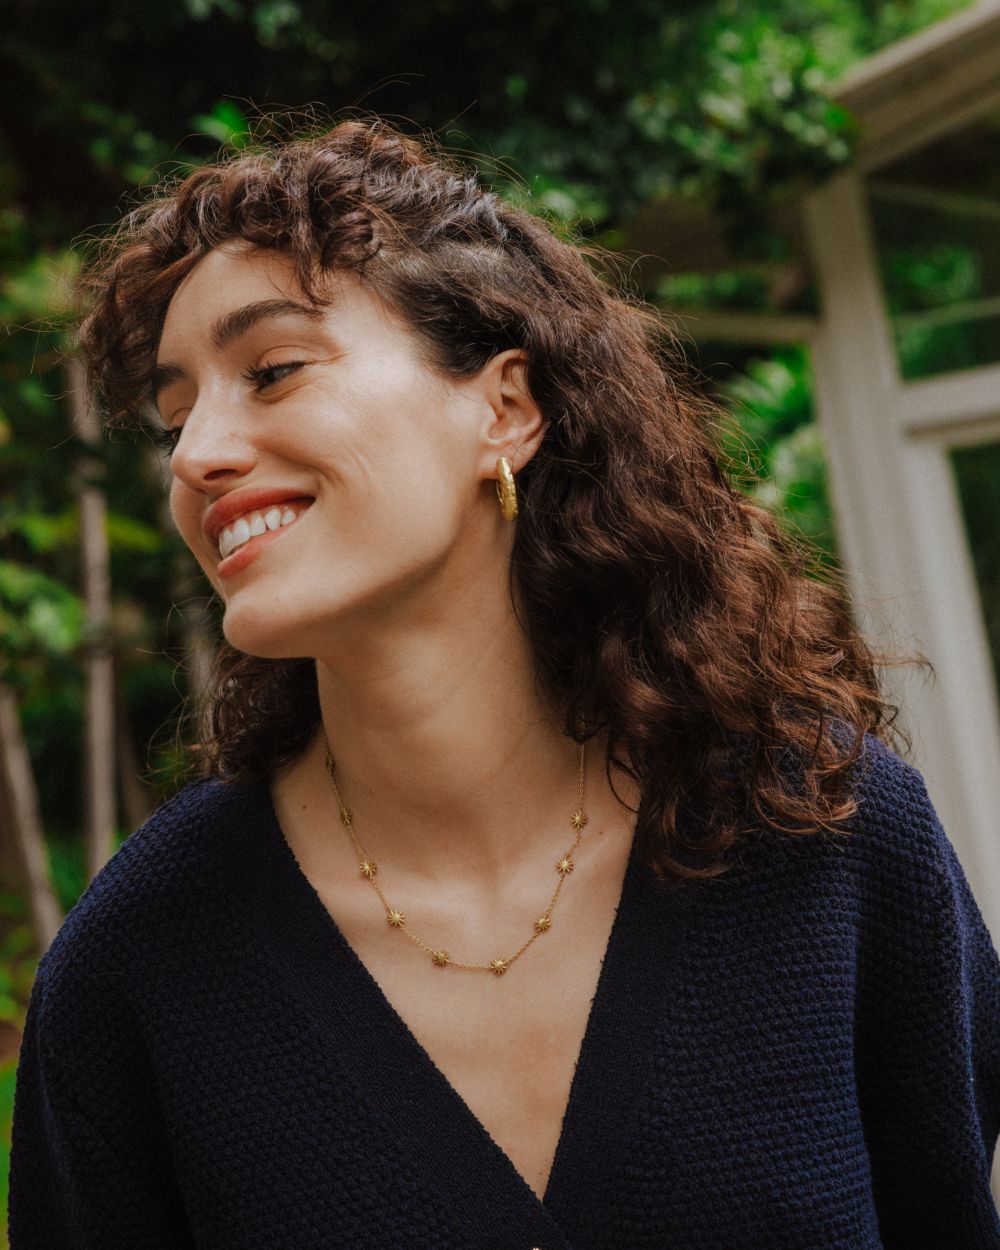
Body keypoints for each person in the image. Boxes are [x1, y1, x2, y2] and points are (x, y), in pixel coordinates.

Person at [7, 115, 1000, 1249]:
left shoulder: (829, 832)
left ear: (505, 407)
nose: (194, 456)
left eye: (272, 370)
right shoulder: (136, 968)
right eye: (176, 417)